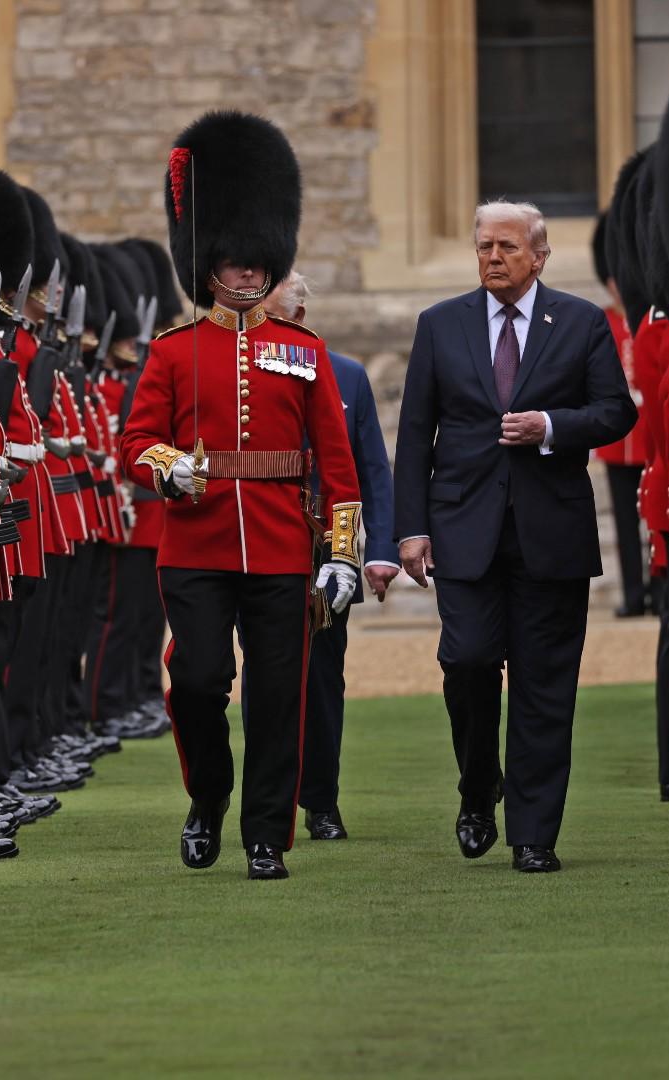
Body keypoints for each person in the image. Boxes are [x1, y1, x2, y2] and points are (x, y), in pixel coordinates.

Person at [120, 111, 361, 881]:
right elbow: (134, 441)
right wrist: (168, 468)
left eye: (259, 260)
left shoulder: (305, 353)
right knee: (195, 681)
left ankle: (266, 836)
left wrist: (345, 556)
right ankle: (208, 799)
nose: (249, 272)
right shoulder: (173, 351)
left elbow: (336, 465)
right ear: (209, 260)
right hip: (196, 543)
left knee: (278, 697)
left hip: (284, 546)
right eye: (233, 258)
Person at [393, 200, 636, 872]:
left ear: (540, 254)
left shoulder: (582, 322)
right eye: (482, 247)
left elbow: (616, 411)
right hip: (463, 527)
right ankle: (479, 788)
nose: (492, 257)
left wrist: (552, 427)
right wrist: (409, 529)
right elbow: (415, 435)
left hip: (549, 531)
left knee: (543, 685)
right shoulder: (440, 326)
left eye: (505, 246)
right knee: (467, 661)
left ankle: (534, 834)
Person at [261, 272, 398, 840]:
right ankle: (267, 800)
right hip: (263, 536)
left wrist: (380, 549)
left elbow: (372, 470)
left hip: (324, 541)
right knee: (268, 675)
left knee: (322, 678)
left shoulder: (345, 374)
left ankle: (320, 799)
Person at [590, 212, 649, 617]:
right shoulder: (604, 321)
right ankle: (633, 593)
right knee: (627, 525)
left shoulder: (649, 318)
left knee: (661, 518)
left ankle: (662, 589)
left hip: (651, 437)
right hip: (617, 441)